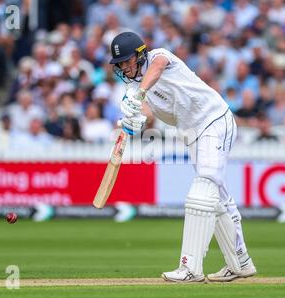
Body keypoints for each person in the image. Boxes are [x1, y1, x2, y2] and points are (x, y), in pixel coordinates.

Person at [109, 31, 256, 282]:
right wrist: (133, 121)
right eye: (119, 64)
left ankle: (190, 268)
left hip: (214, 119)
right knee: (216, 197)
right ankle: (240, 262)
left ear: (140, 54)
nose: (124, 67)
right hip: (192, 133)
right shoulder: (132, 86)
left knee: (204, 187)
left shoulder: (159, 57)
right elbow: (144, 112)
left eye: (127, 61)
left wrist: (139, 94)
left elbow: (155, 71)